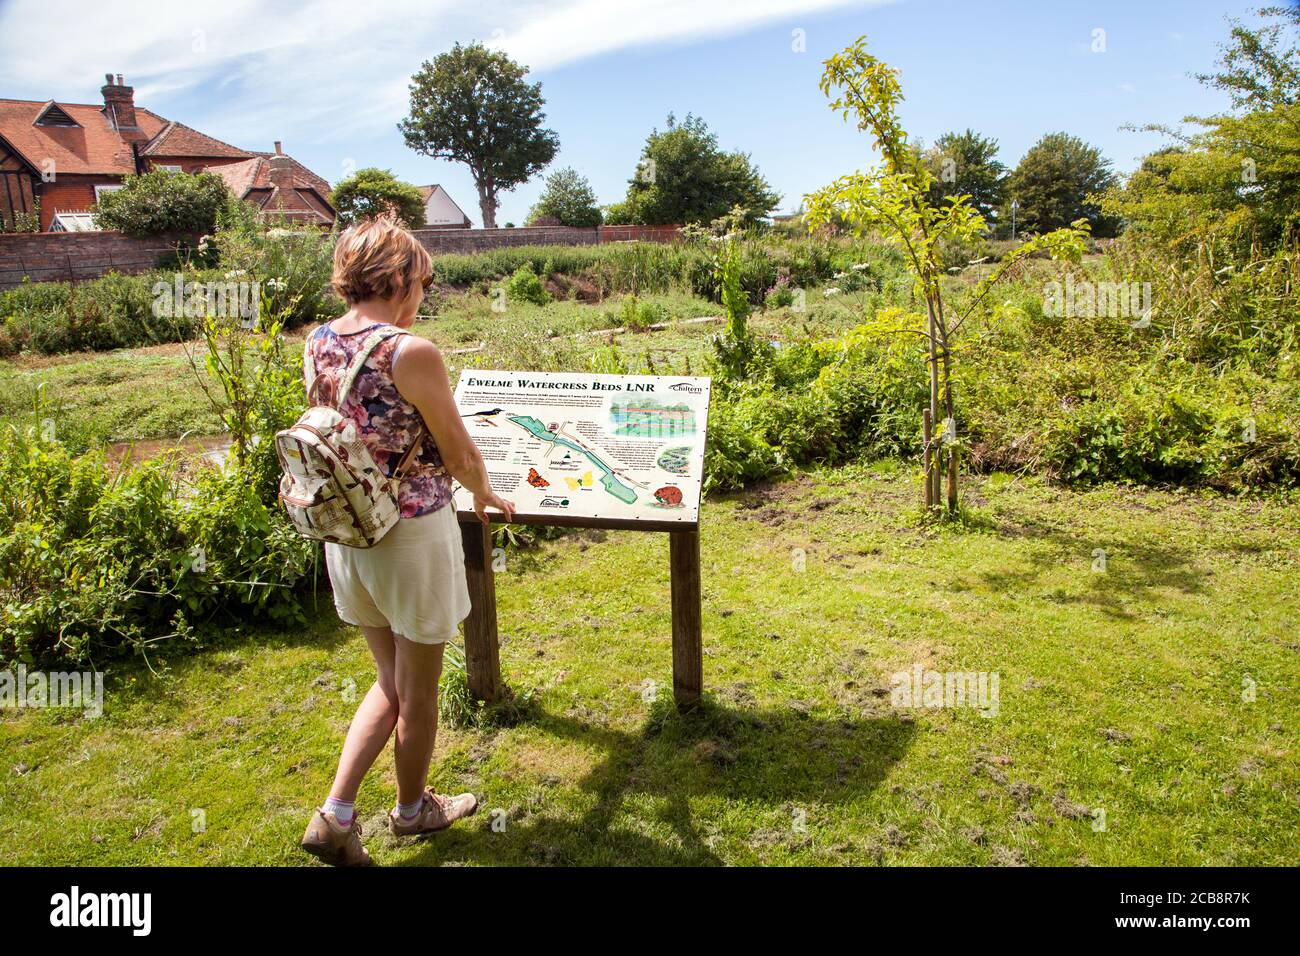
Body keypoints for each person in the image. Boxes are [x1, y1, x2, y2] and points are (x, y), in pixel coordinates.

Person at [299, 216, 515, 866]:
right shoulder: (409, 352)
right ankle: (413, 808)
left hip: (348, 532)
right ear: (395, 278)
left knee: (390, 681)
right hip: (412, 536)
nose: (422, 295)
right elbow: (457, 450)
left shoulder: (317, 341)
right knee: (416, 690)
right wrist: (486, 493)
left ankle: (336, 813)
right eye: (419, 281)